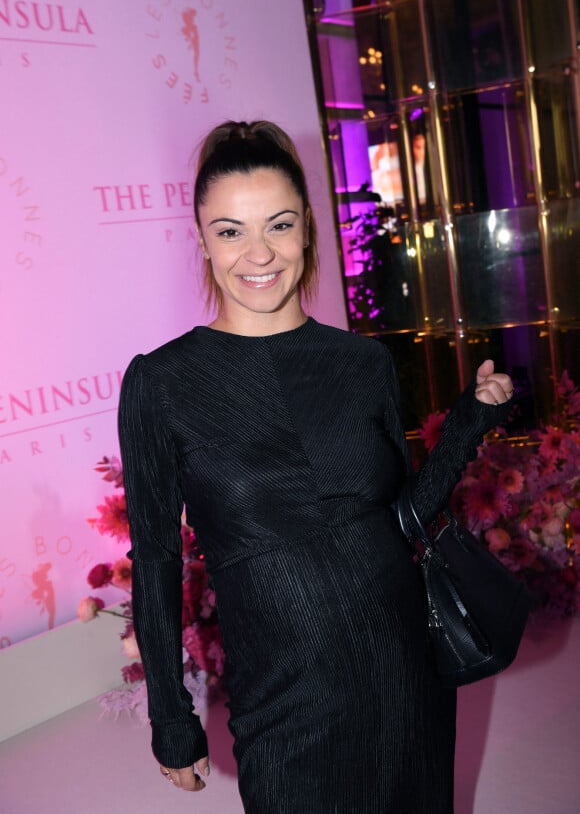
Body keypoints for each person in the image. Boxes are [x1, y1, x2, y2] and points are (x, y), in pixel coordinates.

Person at [118, 120, 513, 813]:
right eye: (231, 231)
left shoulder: (362, 363)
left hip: (402, 674)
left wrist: (469, 422)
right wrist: (169, 716)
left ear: (308, 230)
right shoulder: (162, 382)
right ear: (203, 242)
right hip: (283, 701)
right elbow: (154, 561)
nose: (258, 253)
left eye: (279, 224)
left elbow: (402, 516)